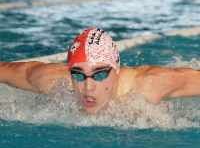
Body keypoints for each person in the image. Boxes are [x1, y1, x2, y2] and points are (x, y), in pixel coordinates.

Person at [1, 28, 200, 113]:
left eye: (100, 74)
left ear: (117, 71)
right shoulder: (51, 80)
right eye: (78, 74)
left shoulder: (147, 85)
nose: (88, 86)